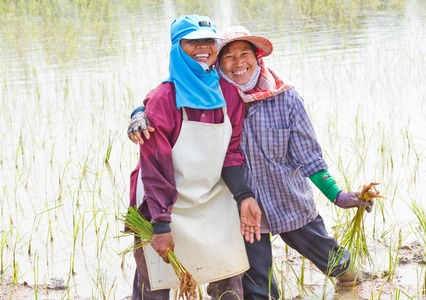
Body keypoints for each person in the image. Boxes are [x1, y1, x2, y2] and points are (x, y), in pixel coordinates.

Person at [128, 26, 374, 300]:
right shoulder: (214, 96)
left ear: (257, 58)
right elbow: (169, 91)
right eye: (228, 57)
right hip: (242, 208)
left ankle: (353, 281)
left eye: (244, 54)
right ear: (217, 64)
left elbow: (309, 157)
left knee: (332, 259)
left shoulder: (286, 98)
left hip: (287, 200)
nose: (238, 63)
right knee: (258, 285)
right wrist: (139, 112)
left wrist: (337, 195)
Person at [128, 17, 262, 300]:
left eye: (209, 40)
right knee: (155, 283)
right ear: (177, 47)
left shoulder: (228, 94)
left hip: (210, 200)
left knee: (229, 279)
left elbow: (230, 153)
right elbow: (155, 167)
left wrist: (244, 196)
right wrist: (161, 225)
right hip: (161, 203)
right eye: (192, 41)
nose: (203, 47)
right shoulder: (164, 98)